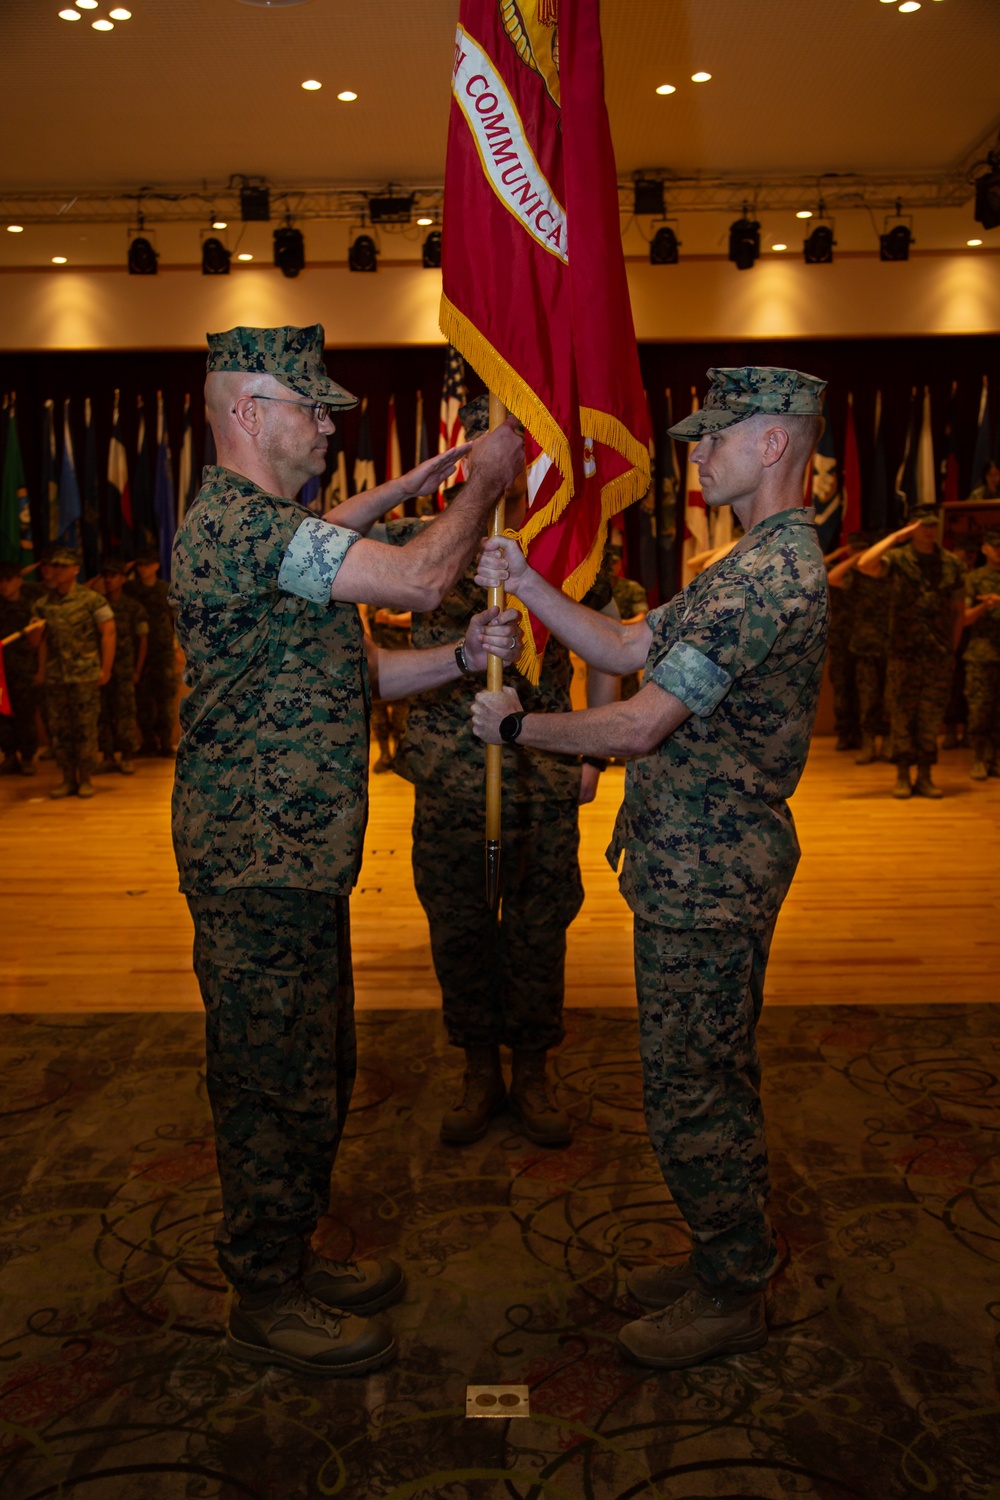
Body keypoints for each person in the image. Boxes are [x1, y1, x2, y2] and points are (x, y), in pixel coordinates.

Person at [170, 323, 523, 1379]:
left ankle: (289, 1249)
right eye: (311, 406)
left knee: (316, 1068)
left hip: (294, 853)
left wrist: (459, 655)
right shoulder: (236, 525)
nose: (329, 423)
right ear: (248, 412)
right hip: (253, 855)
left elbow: (355, 674)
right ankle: (263, 1289)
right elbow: (416, 579)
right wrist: (481, 483)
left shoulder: (266, 531)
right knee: (271, 1077)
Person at [472, 365, 829, 1371]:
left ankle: (729, 1287)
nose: (695, 451)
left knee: (691, 1085)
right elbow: (630, 643)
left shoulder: (768, 574)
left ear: (771, 443)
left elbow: (636, 722)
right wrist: (532, 581)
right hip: (691, 863)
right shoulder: (745, 559)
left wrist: (519, 726)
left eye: (714, 435)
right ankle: (728, 1250)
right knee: (703, 1072)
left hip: (708, 875)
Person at [379, 395, 620, 1151]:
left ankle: (534, 1069)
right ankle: (478, 1067)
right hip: (452, 778)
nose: (514, 461)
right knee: (458, 931)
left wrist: (592, 752)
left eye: (525, 448)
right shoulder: (422, 542)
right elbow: (330, 548)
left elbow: (606, 644)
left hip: (542, 774)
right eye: (498, 446)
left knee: (539, 930)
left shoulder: (568, 545)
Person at [855, 509, 965, 799]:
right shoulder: (900, 560)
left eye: (932, 525)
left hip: (937, 654)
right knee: (902, 715)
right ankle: (903, 776)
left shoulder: (951, 564)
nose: (929, 530)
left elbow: (958, 611)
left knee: (930, 718)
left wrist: (951, 649)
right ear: (912, 528)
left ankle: (925, 776)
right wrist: (896, 537)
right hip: (903, 652)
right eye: (922, 525)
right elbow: (866, 564)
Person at [33, 545, 115, 799]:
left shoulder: (92, 600)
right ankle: (67, 778)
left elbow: (108, 633)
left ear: (75, 570)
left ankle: (86, 778)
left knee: (85, 727)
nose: (54, 571)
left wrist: (106, 668)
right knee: (60, 729)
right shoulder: (43, 604)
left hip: (85, 674)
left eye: (61, 566)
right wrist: (41, 670)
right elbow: (38, 642)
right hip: (57, 676)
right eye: (52, 566)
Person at [827, 534, 891, 764]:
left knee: (886, 696)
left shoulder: (885, 572)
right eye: (856, 549)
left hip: (885, 644)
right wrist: (853, 558)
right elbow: (831, 577)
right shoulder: (850, 575)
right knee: (858, 694)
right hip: (853, 643)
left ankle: (886, 741)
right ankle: (858, 738)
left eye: (865, 548)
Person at [97, 557, 148, 775]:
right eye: (106, 576)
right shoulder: (97, 605)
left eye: (114, 576)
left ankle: (127, 755)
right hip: (100, 670)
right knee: (103, 714)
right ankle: (107, 756)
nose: (109, 580)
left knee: (126, 713)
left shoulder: (132, 606)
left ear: (123, 579)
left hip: (125, 669)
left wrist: (137, 669)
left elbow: (143, 640)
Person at [125, 547, 177, 756]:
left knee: (164, 698)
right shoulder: (131, 589)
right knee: (143, 699)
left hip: (162, 651)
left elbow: (177, 618)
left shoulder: (165, 589)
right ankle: (148, 741)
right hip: (138, 652)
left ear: (156, 566)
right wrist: (123, 569)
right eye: (139, 565)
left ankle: (165, 742)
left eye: (146, 565)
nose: (142, 569)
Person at [962, 526, 1000, 779]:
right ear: (985, 549)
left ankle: (995, 759)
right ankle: (978, 758)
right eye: (995, 547)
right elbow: (964, 618)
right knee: (979, 710)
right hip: (982, 654)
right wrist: (986, 604)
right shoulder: (974, 578)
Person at [0, 562, 44, 775]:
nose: (4, 585)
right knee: (2, 715)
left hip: (24, 669)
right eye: (1, 581)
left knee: (26, 715)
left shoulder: (30, 607)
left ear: (18, 581)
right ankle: (9, 755)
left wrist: (40, 670)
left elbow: (39, 643)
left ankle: (27, 757)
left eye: (9, 580)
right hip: (0, 672)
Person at [823, 539, 862, 751]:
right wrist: (845, 552)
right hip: (841, 641)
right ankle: (846, 733)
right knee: (842, 689)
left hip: (865, 641)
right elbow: (828, 574)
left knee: (864, 691)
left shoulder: (872, 574)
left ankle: (865, 734)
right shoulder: (842, 572)